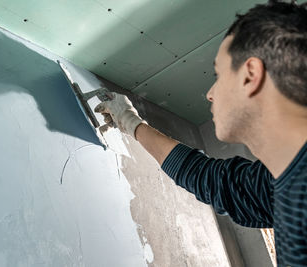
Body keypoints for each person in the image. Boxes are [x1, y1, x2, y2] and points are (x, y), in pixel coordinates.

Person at [94, 1, 307, 266]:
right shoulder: (279, 188)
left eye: (219, 75)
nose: (210, 93)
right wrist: (130, 122)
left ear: (251, 75)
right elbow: (213, 180)